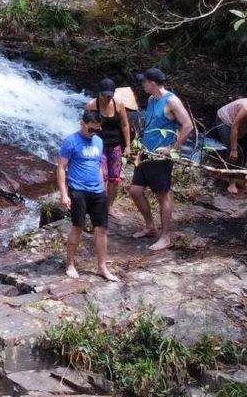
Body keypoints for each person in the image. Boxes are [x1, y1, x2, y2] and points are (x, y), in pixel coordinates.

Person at [129, 67, 194, 252]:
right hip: (145, 152)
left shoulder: (171, 101)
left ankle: (165, 237)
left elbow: (188, 125)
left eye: (144, 82)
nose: (142, 85)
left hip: (161, 156)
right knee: (135, 190)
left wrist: (173, 148)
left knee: (162, 195)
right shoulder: (151, 99)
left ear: (153, 83)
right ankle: (150, 226)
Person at [57, 110, 116, 281]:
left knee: (102, 230)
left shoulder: (98, 141)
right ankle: (70, 263)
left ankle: (102, 267)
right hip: (78, 190)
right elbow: (61, 168)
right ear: (82, 123)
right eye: (91, 129)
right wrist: (64, 194)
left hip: (97, 191)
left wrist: (103, 187)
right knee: (78, 227)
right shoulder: (71, 142)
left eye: (97, 130)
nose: (93, 133)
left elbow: (98, 166)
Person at [84, 78, 135, 190]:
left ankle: (109, 206)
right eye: (104, 95)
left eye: (109, 96)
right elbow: (85, 126)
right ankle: (100, 203)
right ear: (99, 93)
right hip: (98, 145)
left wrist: (127, 146)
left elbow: (125, 125)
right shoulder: (91, 106)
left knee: (114, 178)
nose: (107, 98)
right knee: (102, 175)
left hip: (115, 145)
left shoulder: (119, 104)